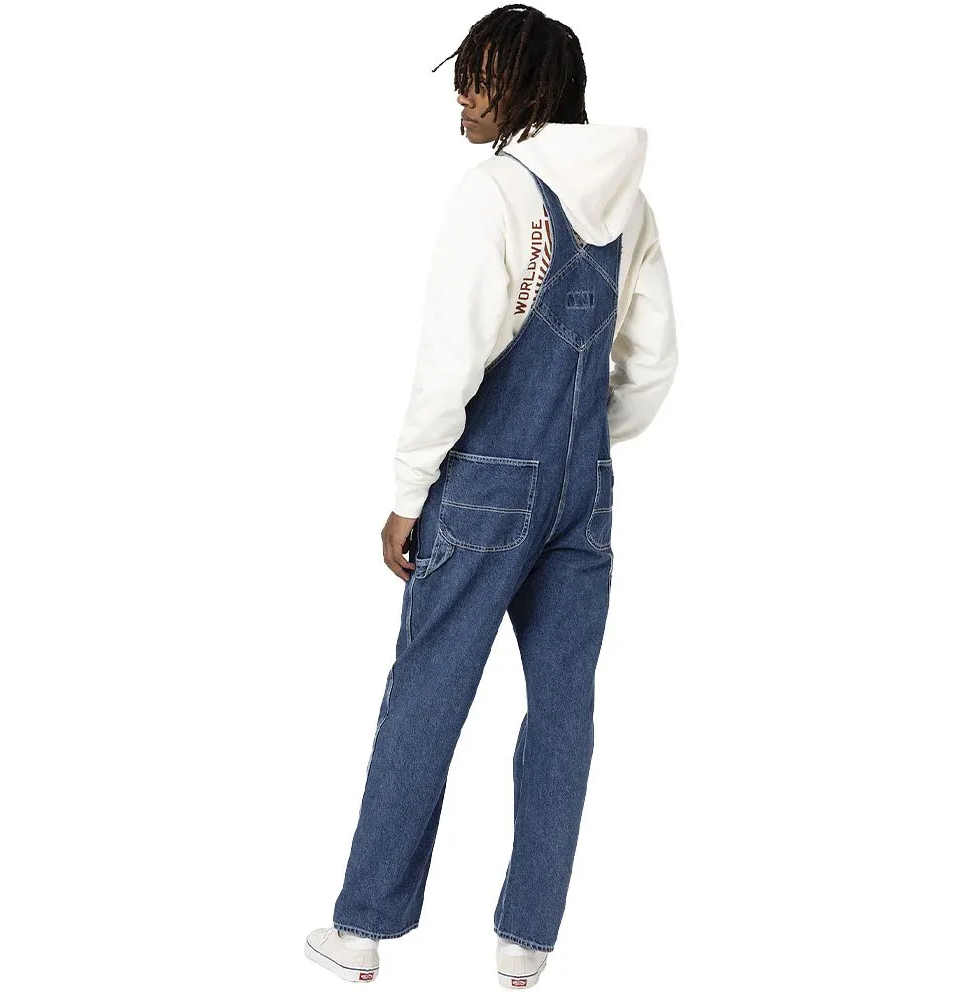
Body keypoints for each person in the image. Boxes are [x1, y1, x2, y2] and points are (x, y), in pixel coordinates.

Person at [304, 3, 677, 988]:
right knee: (562, 710)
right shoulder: (632, 203)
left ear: (528, 88)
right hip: (583, 493)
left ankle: (362, 928)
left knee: (427, 694)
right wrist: (582, 441)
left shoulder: (498, 190)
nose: (464, 97)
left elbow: (451, 358)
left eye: (482, 76)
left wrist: (408, 490)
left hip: (484, 489)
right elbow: (651, 363)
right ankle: (527, 940)